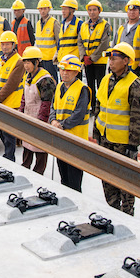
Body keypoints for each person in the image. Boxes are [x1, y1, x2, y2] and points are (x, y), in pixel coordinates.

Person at [93, 43, 140, 215]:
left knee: (126, 181)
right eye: (110, 58)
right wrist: (96, 133)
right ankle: (113, 210)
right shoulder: (106, 80)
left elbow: (137, 117)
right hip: (105, 138)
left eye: (114, 58)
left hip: (123, 143)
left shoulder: (135, 84)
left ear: (126, 61)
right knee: (107, 178)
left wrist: (133, 145)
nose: (111, 62)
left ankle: (127, 212)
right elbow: (98, 107)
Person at [49, 54, 90, 192]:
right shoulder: (59, 86)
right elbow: (53, 107)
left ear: (76, 72)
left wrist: (61, 125)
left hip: (75, 141)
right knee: (64, 178)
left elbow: (79, 114)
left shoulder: (82, 89)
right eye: (62, 69)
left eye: (68, 70)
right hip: (61, 139)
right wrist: (53, 120)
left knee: (74, 180)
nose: (64, 73)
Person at [19, 46, 56, 175]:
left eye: (28, 62)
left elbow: (47, 104)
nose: (26, 65)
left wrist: (40, 122)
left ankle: (38, 173)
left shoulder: (45, 79)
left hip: (40, 119)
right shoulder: (28, 76)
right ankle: (25, 168)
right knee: (27, 146)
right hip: (28, 116)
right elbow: (24, 96)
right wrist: (21, 112)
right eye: (24, 62)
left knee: (40, 148)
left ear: (36, 62)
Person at [0, 31, 24, 161]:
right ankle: (7, 156)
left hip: (12, 104)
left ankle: (9, 158)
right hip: (1, 102)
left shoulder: (19, 62)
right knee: (2, 133)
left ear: (13, 45)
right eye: (3, 44)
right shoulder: (0, 59)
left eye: (7, 44)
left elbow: (12, 84)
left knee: (8, 134)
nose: (4, 47)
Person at [79, 0, 112, 113]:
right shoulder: (84, 25)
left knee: (100, 85)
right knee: (90, 85)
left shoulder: (105, 25)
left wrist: (92, 58)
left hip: (99, 61)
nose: (92, 12)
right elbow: (80, 41)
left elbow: (104, 43)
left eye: (94, 10)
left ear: (99, 11)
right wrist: (84, 56)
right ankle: (92, 106)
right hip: (87, 61)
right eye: (90, 10)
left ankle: (100, 107)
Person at [114, 0, 140, 76]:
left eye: (135, 10)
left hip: (135, 66)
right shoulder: (121, 28)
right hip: (120, 64)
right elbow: (115, 45)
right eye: (130, 10)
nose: (132, 12)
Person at [35, 0, 60, 79]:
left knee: (52, 81)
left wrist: (57, 55)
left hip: (50, 59)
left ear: (49, 9)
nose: (43, 11)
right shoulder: (38, 23)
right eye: (41, 9)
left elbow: (59, 41)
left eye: (45, 9)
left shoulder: (54, 22)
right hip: (40, 59)